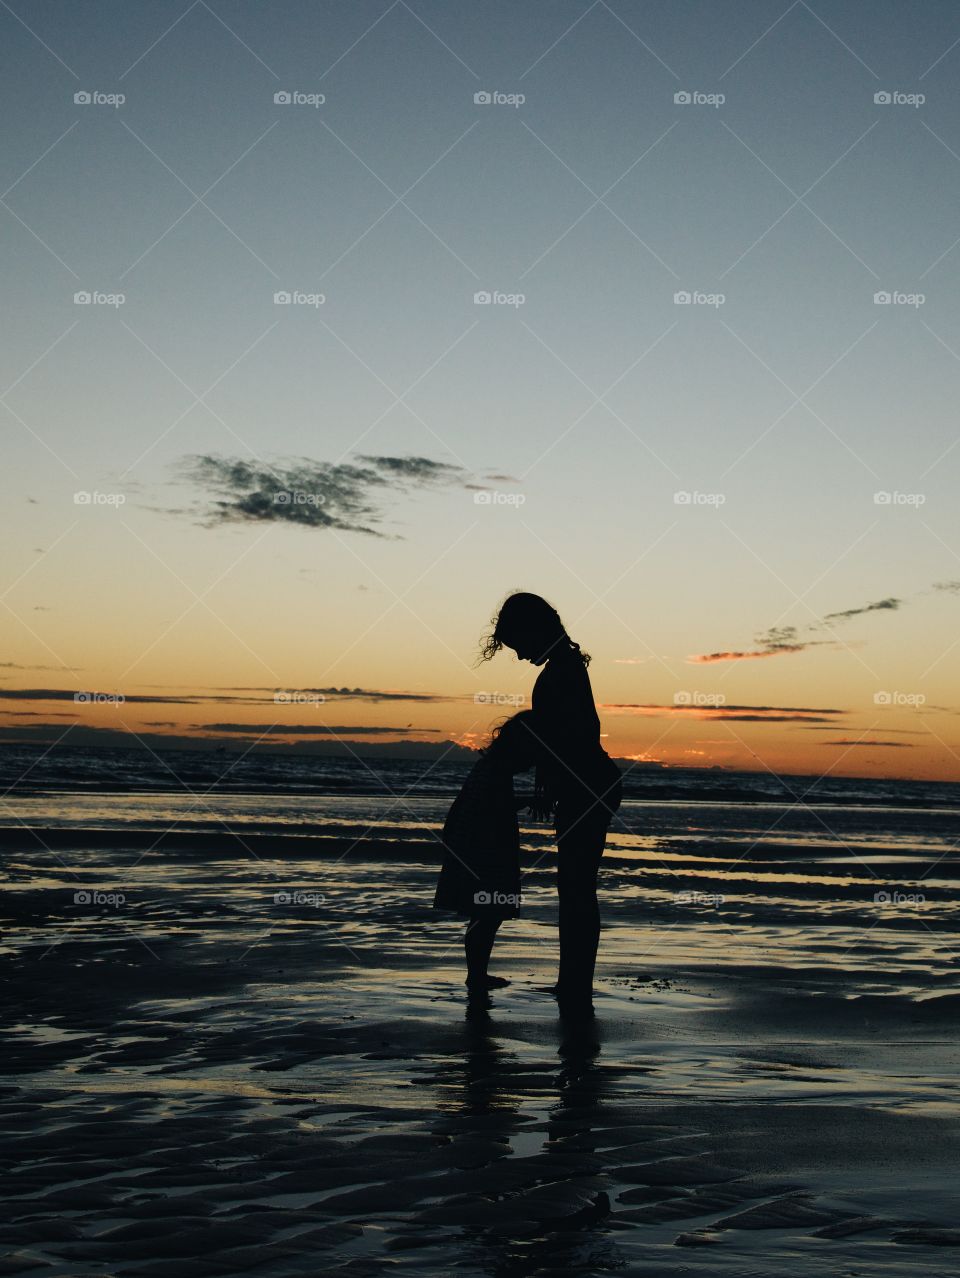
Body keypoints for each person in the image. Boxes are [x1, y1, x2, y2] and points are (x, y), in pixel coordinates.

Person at [479, 592, 622, 1011]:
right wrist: (548, 784)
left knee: (577, 888)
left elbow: (575, 737)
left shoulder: (563, 670)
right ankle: (572, 980)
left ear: (533, 630)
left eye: (519, 645)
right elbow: (557, 737)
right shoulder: (565, 667)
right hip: (588, 783)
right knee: (575, 887)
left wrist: (551, 783)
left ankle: (575, 983)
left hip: (589, 786)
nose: (521, 656)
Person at [433, 712, 538, 993]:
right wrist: (529, 800)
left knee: (485, 913)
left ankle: (477, 973)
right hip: (483, 850)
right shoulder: (496, 771)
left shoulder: (490, 766)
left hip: (473, 846)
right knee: (487, 914)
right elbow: (496, 807)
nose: (532, 763)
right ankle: (476, 975)